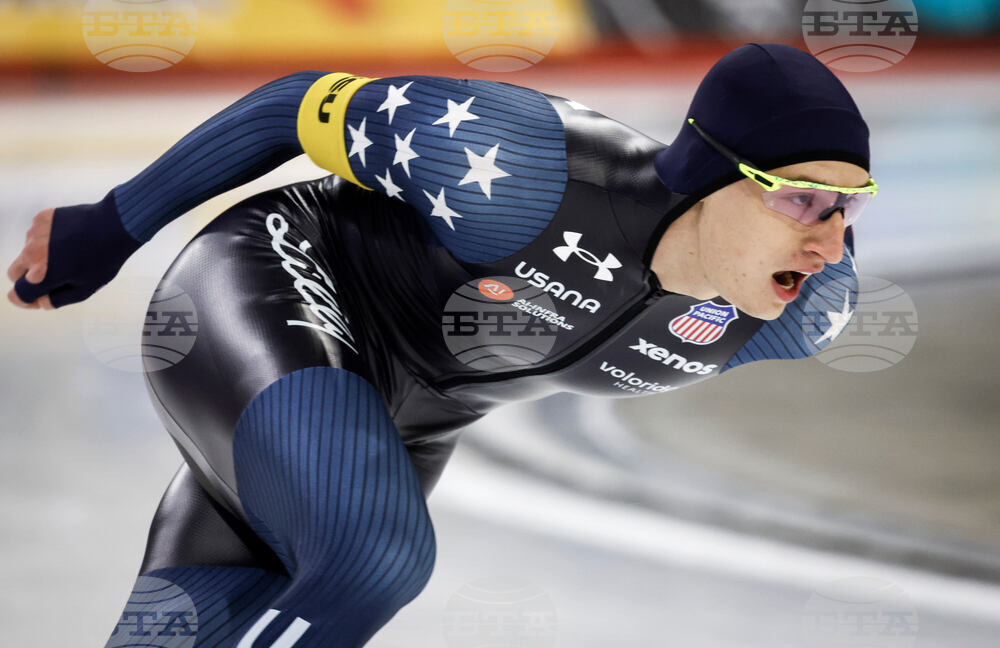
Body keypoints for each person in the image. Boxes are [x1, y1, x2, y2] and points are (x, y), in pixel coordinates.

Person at [5, 42, 877, 647]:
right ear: (708, 176)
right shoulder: (526, 169)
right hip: (271, 285)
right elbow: (292, 106)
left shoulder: (802, 312)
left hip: (406, 420)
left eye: (848, 207)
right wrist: (107, 228)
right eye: (800, 197)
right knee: (373, 556)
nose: (827, 241)